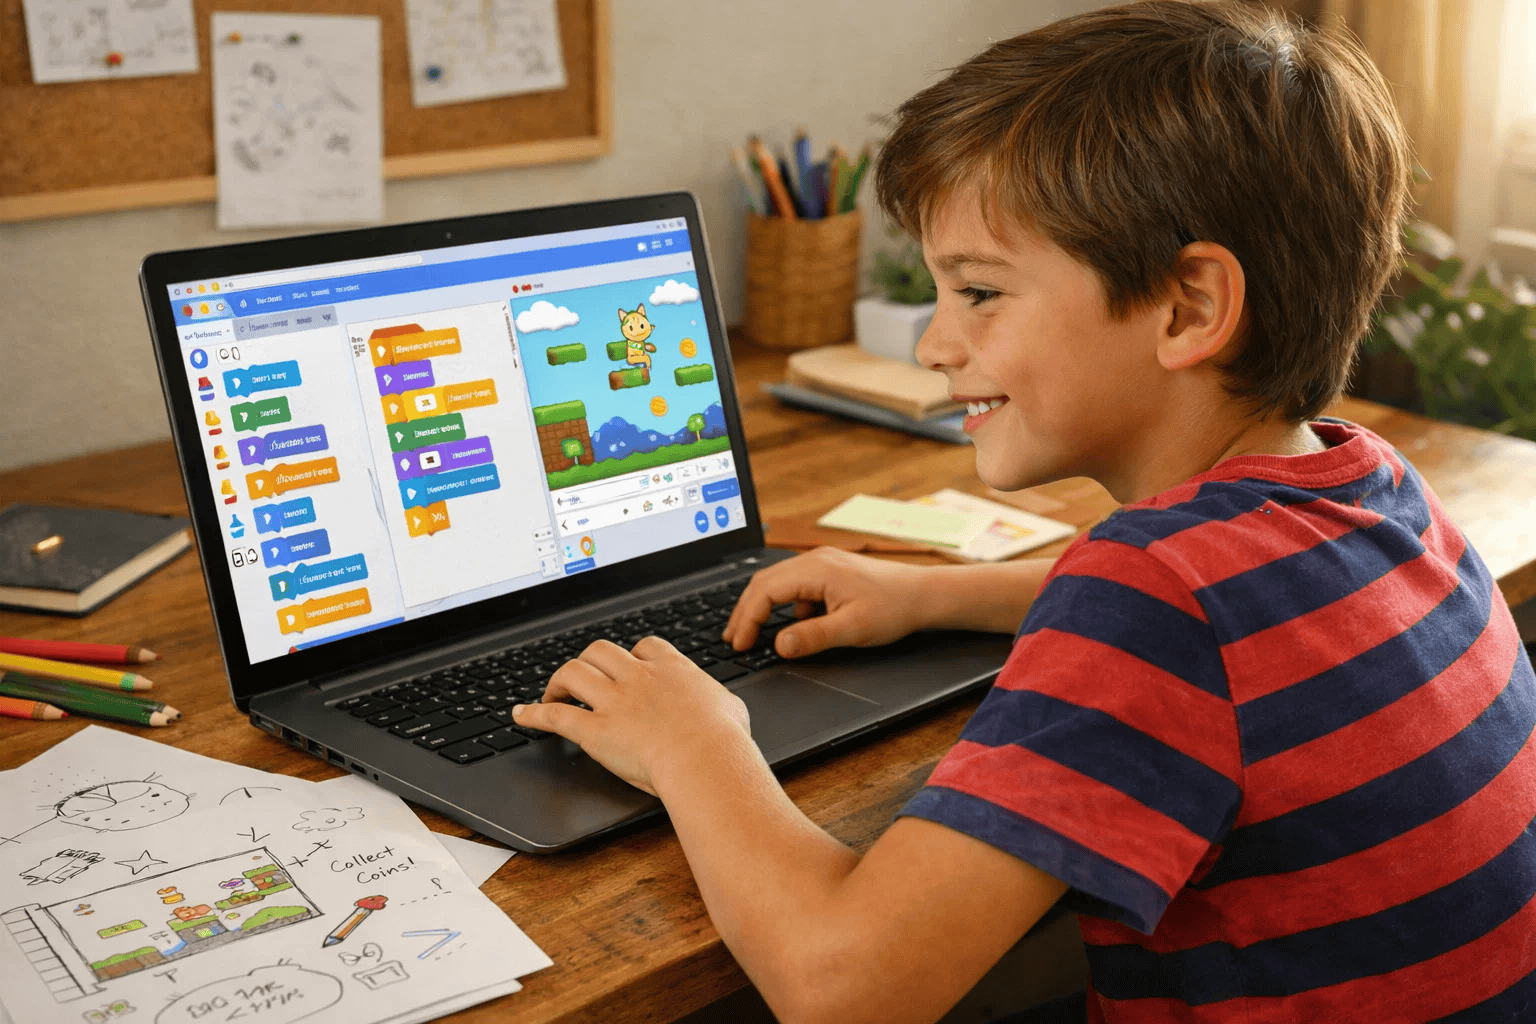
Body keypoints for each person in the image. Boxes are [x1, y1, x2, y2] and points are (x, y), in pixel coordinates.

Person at [512, 2, 1536, 1020]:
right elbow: (1240, 623)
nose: (933, 345)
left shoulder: (1153, 595)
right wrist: (930, 593)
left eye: (981, 293)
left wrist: (696, 743)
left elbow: (842, 988)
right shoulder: (1373, 483)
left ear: (1187, 307)